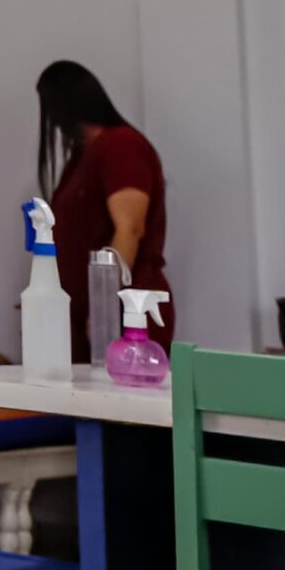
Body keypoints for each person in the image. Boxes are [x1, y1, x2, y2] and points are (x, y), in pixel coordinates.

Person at [38, 59, 170, 356]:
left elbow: (130, 229)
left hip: (121, 318)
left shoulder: (121, 147)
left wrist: (104, 309)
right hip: (88, 320)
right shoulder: (83, 156)